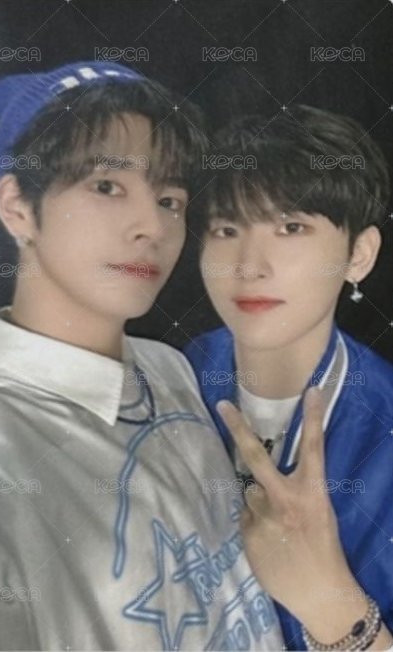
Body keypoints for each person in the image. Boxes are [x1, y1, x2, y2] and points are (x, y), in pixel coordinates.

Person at [0, 61, 284, 650]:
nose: (152, 226)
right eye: (107, 186)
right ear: (17, 207)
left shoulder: (168, 367)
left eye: (169, 199)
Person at [184, 104, 393, 650]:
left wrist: (330, 603)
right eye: (226, 229)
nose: (250, 265)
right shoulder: (168, 379)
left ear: (359, 255)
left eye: (291, 227)